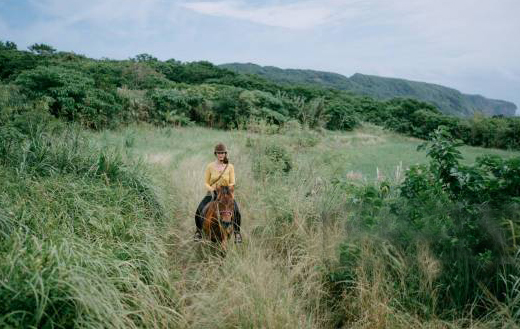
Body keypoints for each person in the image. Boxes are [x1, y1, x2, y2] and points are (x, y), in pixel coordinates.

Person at [194, 143, 242, 243]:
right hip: (213, 193)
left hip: (226, 194)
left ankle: (237, 233)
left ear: (225, 154)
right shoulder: (210, 166)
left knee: (237, 211)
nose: (221, 155)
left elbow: (233, 182)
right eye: (219, 153)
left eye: (223, 153)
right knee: (199, 210)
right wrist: (212, 190)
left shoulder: (230, 167)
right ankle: (198, 231)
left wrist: (227, 189)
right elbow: (206, 182)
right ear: (215, 154)